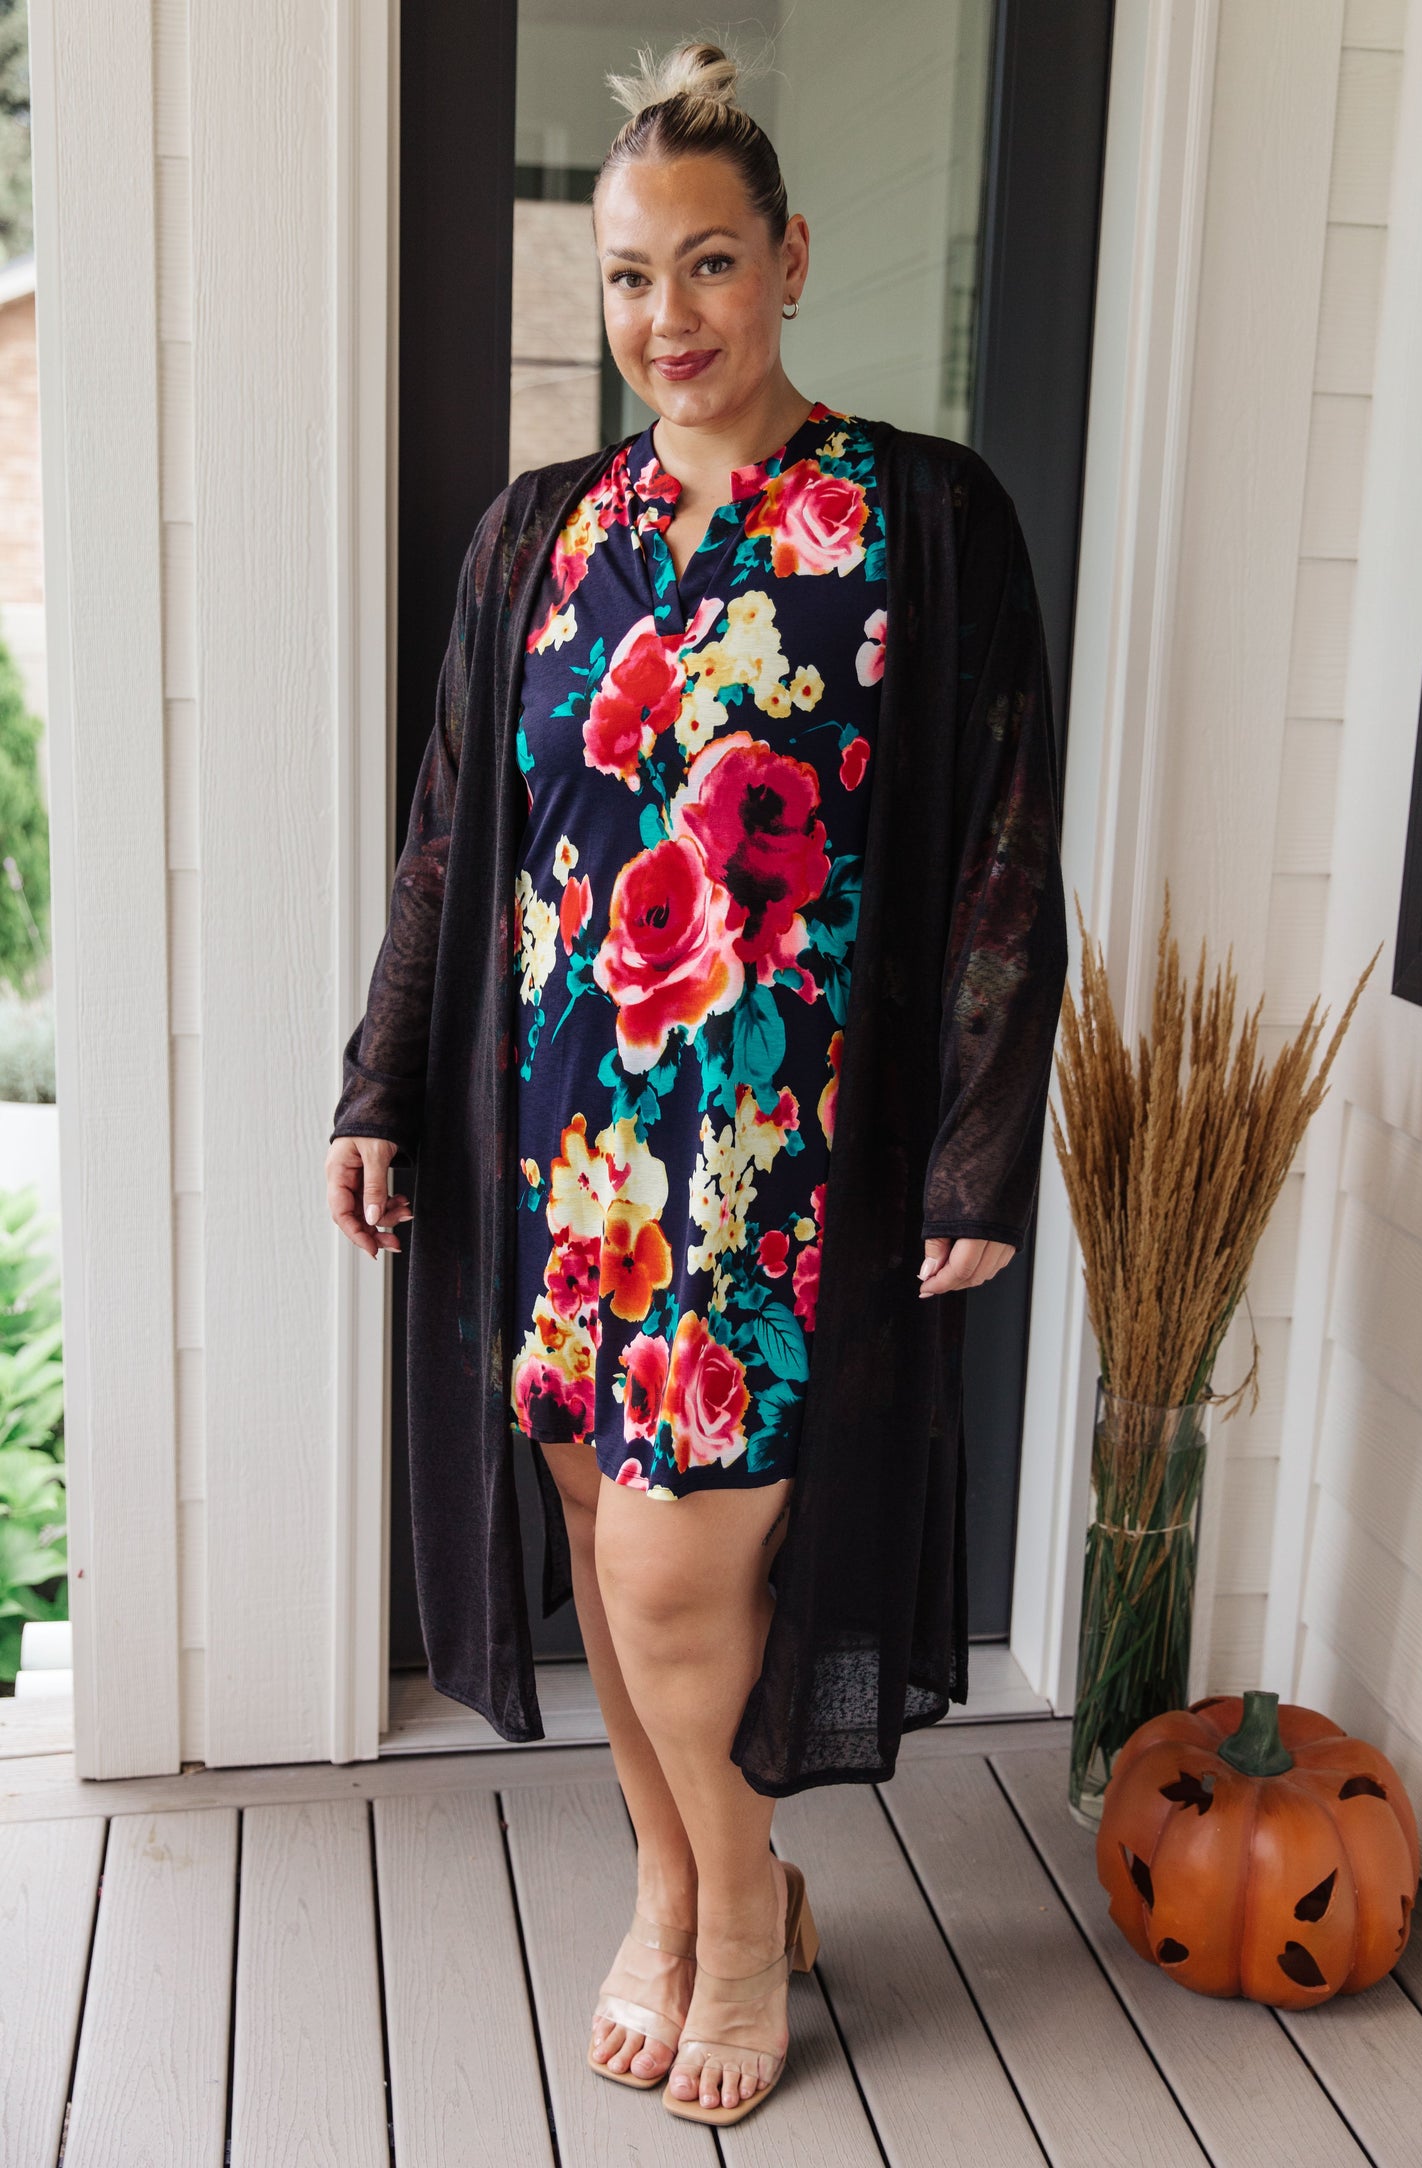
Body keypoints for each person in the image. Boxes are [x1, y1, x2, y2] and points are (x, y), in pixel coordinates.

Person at [326, 35, 1067, 2131]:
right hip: (562, 1147)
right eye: (635, 277)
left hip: (778, 1168)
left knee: (678, 1575)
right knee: (597, 1529)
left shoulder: (921, 521)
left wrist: (978, 1137)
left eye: (714, 264)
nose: (674, 318)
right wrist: (379, 1085)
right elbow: (452, 839)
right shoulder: (538, 539)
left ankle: (737, 1917)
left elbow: (1006, 841)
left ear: (793, 258)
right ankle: (681, 1878)